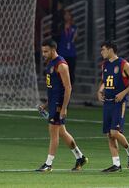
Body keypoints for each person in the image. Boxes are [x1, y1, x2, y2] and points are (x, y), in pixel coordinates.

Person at [36, 39, 87, 172]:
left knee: (54, 133)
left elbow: (68, 87)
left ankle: (48, 164)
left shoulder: (61, 65)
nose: (44, 54)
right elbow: (54, 88)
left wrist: (64, 107)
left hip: (59, 104)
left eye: (46, 51)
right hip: (53, 103)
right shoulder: (51, 63)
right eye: (43, 51)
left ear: (53, 50)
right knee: (62, 132)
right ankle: (80, 157)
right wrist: (46, 104)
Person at [97, 40, 129, 172]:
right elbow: (105, 80)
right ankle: (116, 164)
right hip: (108, 102)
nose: (101, 52)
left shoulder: (123, 64)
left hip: (118, 102)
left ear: (110, 50)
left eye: (103, 49)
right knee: (109, 135)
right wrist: (100, 90)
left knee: (115, 132)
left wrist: (123, 93)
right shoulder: (104, 64)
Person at [57, 9, 78, 85]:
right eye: (65, 15)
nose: (67, 16)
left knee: (71, 70)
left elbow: (75, 39)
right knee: (62, 70)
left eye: (68, 15)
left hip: (71, 53)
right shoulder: (60, 26)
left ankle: (70, 86)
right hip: (62, 52)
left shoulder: (74, 27)